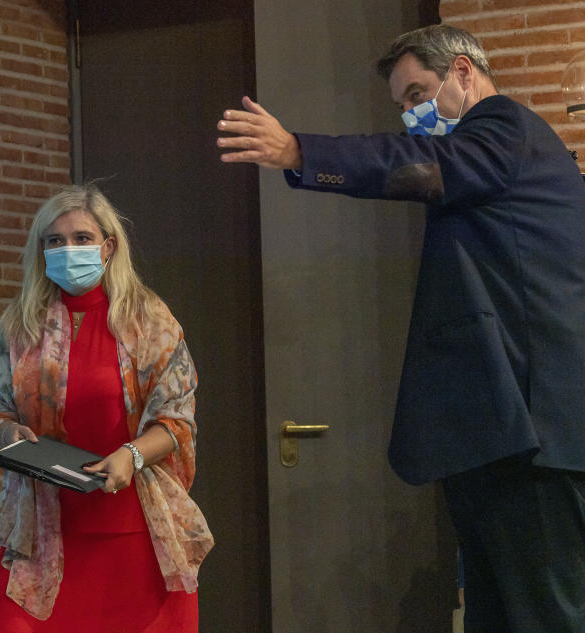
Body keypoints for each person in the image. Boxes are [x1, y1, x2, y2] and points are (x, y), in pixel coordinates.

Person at [217, 24, 585, 633]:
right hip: (500, 436)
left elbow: (422, 166)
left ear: (463, 72)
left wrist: (301, 152)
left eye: (417, 94)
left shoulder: (503, 128)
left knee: (546, 617)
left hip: (533, 431)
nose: (411, 115)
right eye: (403, 104)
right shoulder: (495, 153)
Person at [0, 184, 214, 632]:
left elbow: (177, 420)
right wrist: (10, 435)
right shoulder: (19, 325)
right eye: (54, 241)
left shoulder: (149, 320)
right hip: (43, 535)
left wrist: (132, 455)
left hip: (134, 533)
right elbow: (0, 414)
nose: (67, 250)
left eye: (81, 239)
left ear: (108, 247)